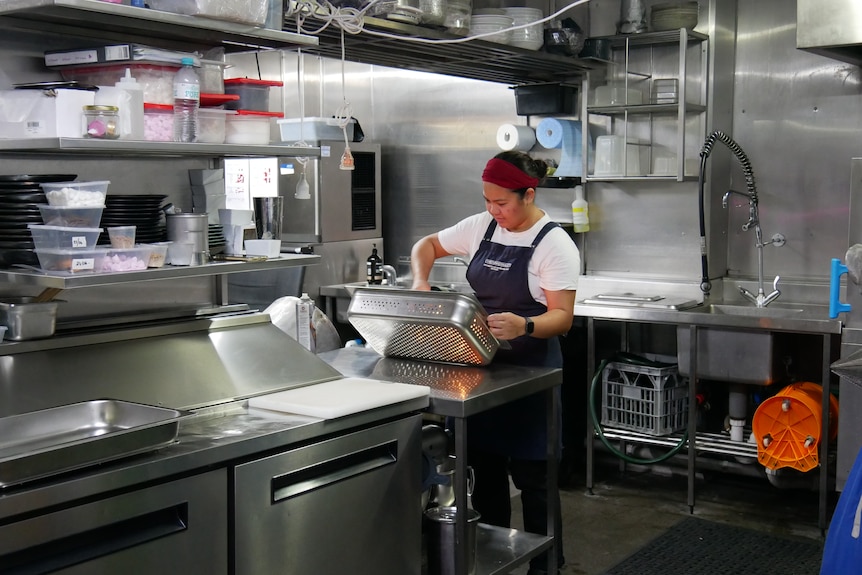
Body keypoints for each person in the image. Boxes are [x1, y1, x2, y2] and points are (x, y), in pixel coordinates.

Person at [410, 150, 580, 575]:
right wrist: (420, 279)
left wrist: (525, 325)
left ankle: (546, 567)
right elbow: (426, 245)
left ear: (528, 194)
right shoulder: (482, 226)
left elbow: (562, 317)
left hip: (530, 375)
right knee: (483, 477)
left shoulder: (554, 243)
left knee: (535, 482)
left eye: (501, 202)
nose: (493, 210)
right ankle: (493, 562)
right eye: (487, 200)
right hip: (479, 371)